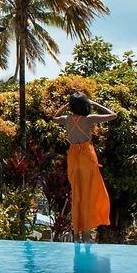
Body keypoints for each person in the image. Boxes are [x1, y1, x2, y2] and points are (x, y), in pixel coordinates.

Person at [55, 91, 117, 242]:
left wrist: (65, 106)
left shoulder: (66, 120)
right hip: (87, 158)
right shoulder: (89, 119)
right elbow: (113, 115)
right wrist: (96, 104)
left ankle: (76, 235)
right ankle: (87, 235)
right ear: (85, 105)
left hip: (73, 158)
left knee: (77, 195)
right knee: (89, 195)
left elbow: (54, 117)